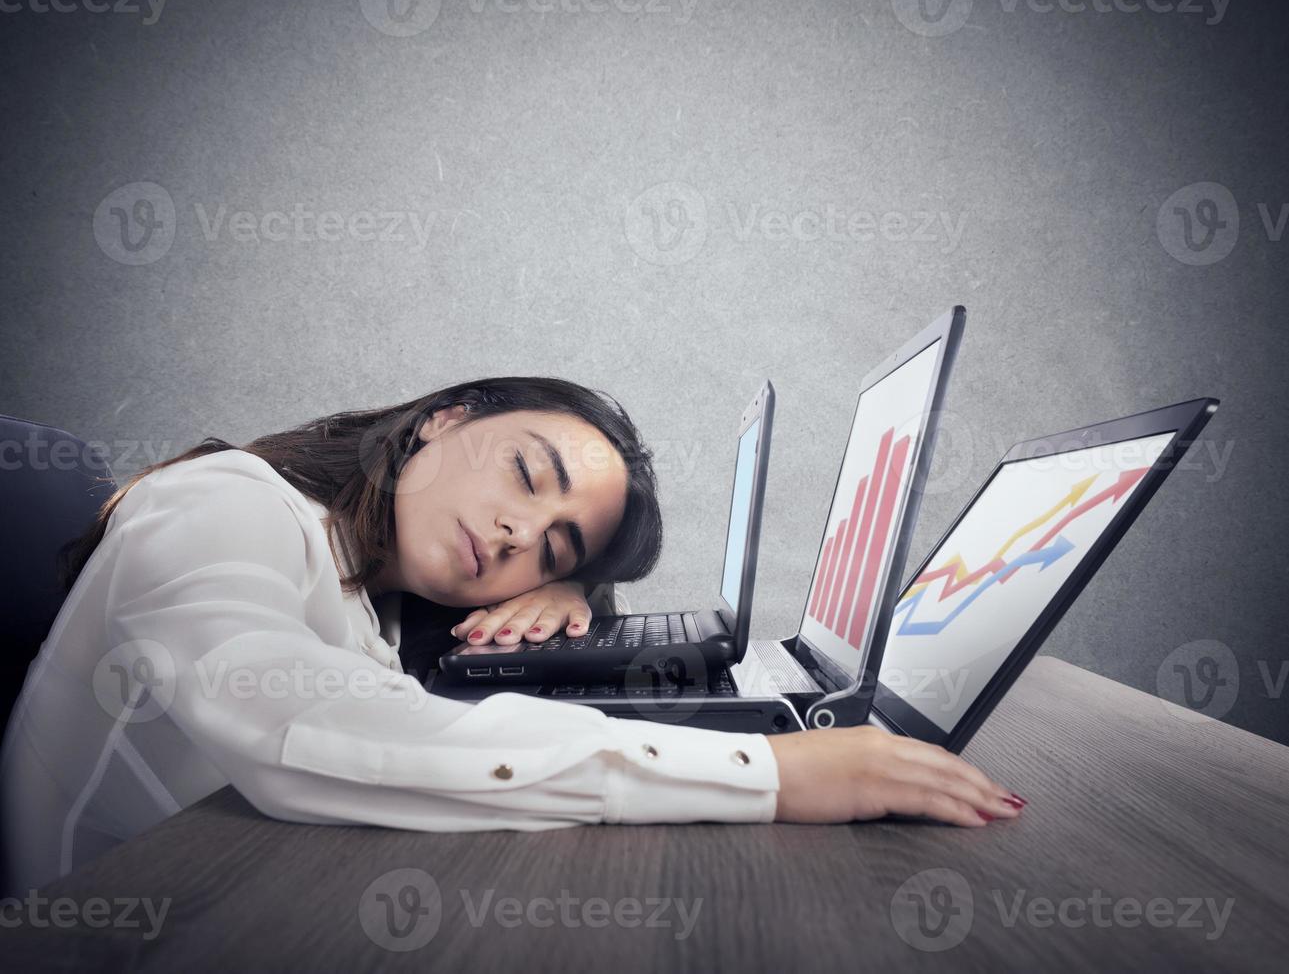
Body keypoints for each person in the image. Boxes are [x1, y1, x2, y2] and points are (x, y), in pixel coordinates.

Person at [0, 376, 1023, 894]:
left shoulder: (377, 605)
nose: (514, 535)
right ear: (440, 419)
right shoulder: (218, 503)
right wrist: (771, 773)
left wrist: (573, 602)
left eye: (552, 541)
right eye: (527, 476)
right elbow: (296, 721)